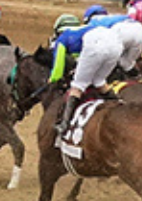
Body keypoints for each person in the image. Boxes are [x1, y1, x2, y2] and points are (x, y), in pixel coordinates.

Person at [46, 12, 126, 140]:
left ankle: (64, 125)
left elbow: (58, 67)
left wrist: (52, 79)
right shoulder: (84, 30)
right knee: (99, 81)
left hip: (95, 45)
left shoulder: (62, 39)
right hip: (116, 44)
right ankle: (122, 105)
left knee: (77, 87)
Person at [83, 3, 142, 76]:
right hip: (140, 30)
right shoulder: (114, 16)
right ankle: (138, 78)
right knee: (127, 64)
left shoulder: (93, 21)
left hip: (120, 31)